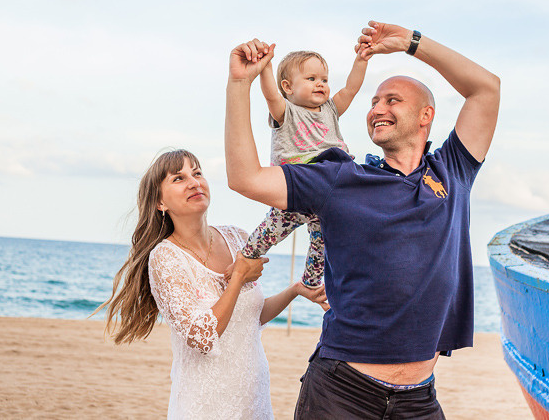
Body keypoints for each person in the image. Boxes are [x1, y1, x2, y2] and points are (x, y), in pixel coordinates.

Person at [224, 21, 501, 419]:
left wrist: (411, 43)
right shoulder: (340, 177)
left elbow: (486, 88)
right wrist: (239, 85)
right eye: (373, 102)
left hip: (419, 400)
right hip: (342, 392)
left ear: (427, 115)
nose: (377, 109)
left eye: (392, 100)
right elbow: (245, 178)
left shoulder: (452, 171)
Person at [96, 149, 327, 420]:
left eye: (197, 173)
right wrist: (238, 276)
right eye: (179, 178)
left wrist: (295, 290)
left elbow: (250, 317)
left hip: (254, 401)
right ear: (160, 202)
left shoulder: (238, 238)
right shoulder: (165, 257)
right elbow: (202, 338)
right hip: (204, 407)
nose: (194, 182)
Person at [239, 47, 369, 287]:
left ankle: (310, 283)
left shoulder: (330, 109)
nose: (320, 84)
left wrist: (361, 60)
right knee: (267, 233)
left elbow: (351, 89)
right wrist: (266, 67)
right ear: (288, 87)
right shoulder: (285, 111)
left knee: (321, 244)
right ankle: (243, 261)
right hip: (296, 187)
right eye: (311, 79)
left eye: (324, 80)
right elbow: (270, 96)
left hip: (328, 190)